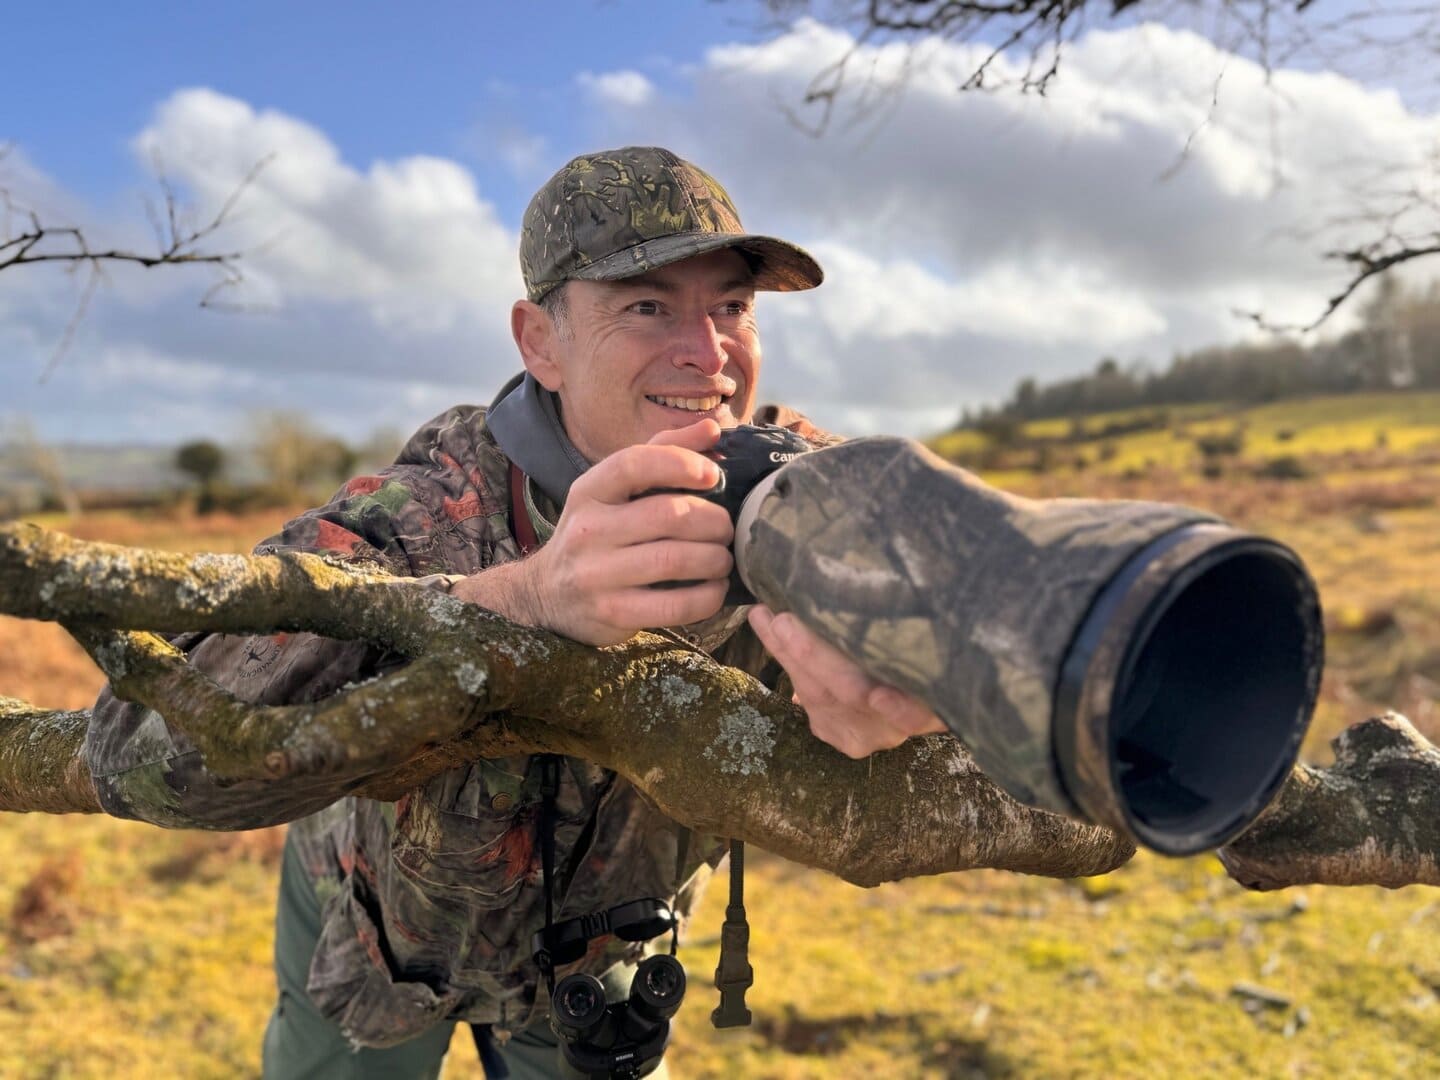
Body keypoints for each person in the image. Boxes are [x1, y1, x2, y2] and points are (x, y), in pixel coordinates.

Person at [85, 145, 944, 1078]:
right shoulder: (428, 505)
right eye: (647, 304)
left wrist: (912, 683)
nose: (707, 352)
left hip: (601, 967)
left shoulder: (804, 497)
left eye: (730, 305)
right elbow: (136, 748)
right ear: (541, 342)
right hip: (377, 936)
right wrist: (519, 601)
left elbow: (995, 630)